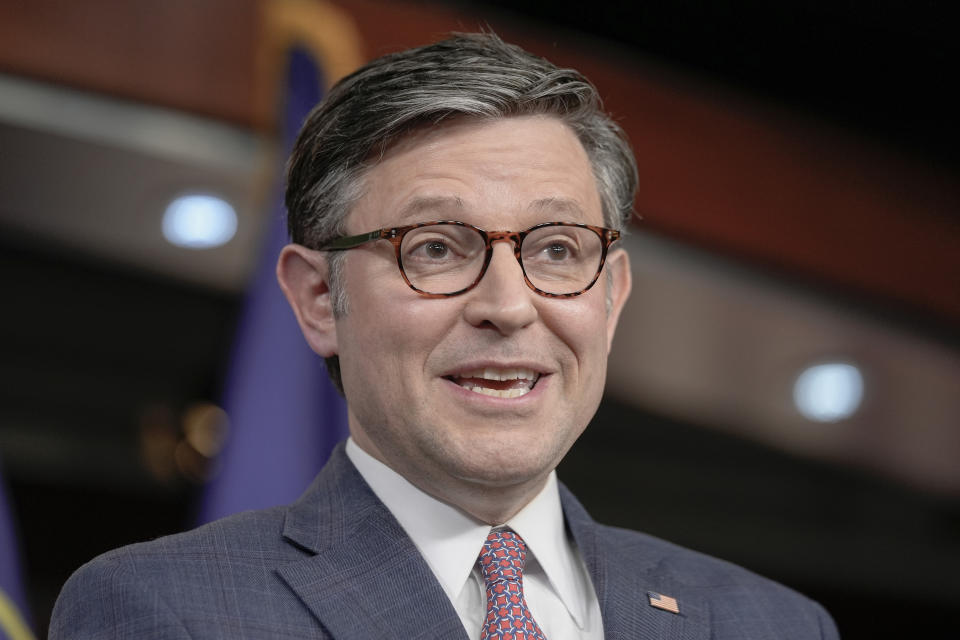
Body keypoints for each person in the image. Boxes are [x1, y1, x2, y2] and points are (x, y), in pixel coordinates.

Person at [50, 33, 839, 639]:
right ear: (320, 297)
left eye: (557, 249)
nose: (508, 305)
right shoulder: (170, 610)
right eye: (434, 248)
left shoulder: (770, 624)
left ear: (613, 296)